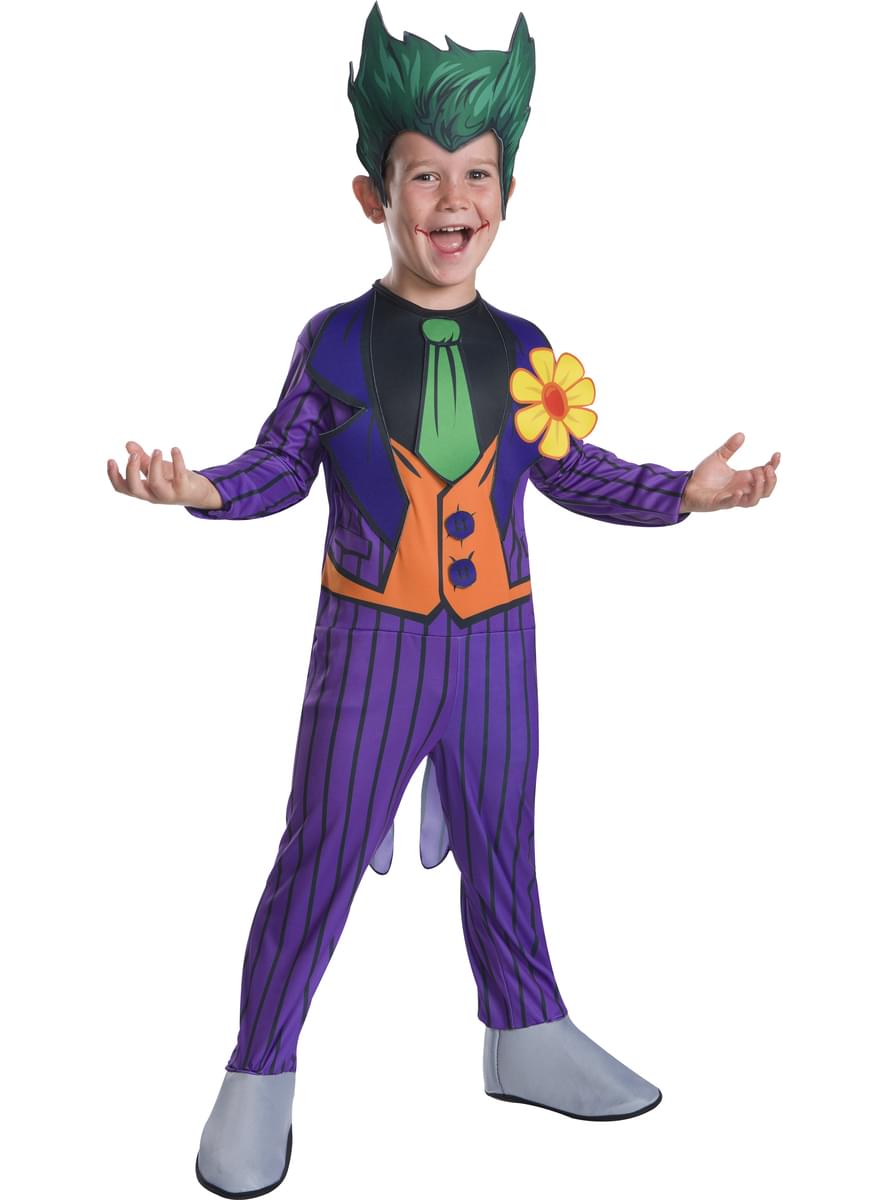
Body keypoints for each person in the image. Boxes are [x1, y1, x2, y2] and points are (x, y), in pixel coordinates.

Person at [108, 5, 780, 1196]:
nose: (452, 200)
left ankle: (525, 1030)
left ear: (506, 196)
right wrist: (201, 488)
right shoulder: (332, 343)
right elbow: (281, 466)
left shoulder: (523, 347)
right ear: (375, 196)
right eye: (425, 175)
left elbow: (571, 469)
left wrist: (685, 490)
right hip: (370, 643)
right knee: (319, 851)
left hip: (498, 643)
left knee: (505, 841)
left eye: (476, 175)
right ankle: (259, 1072)